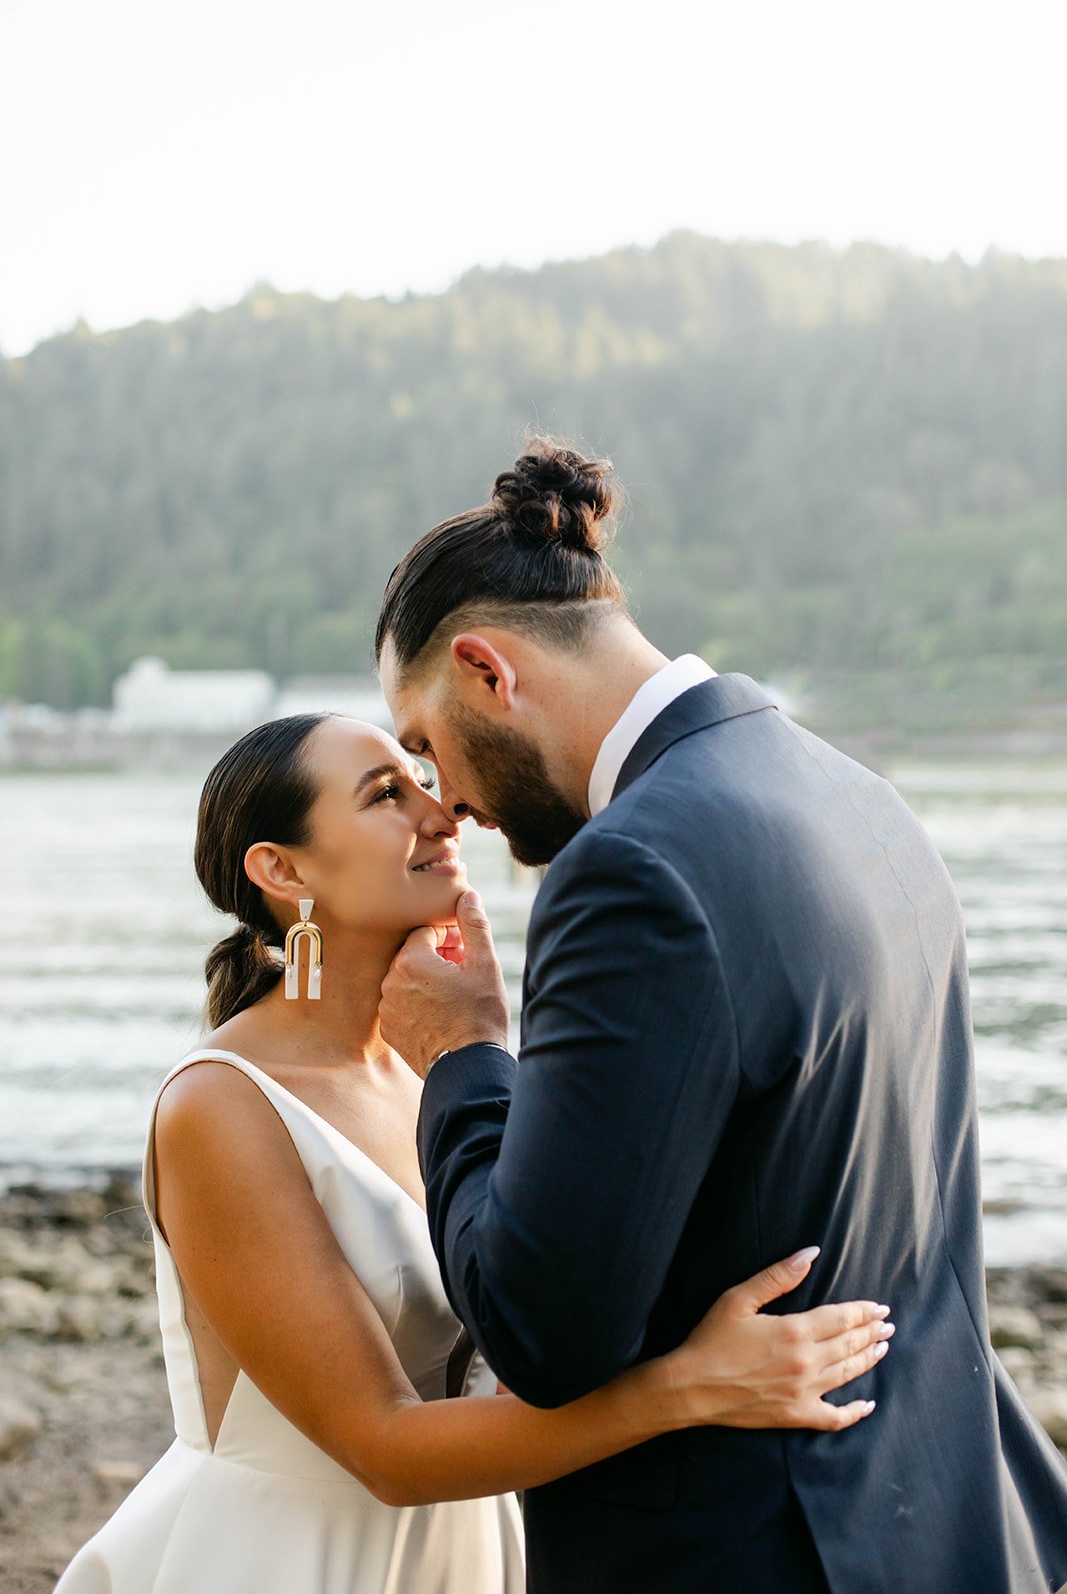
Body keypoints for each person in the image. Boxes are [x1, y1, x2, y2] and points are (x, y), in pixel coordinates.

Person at [374, 438, 1067, 1594]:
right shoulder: (855, 794)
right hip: (942, 1514)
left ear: (487, 671)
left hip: (747, 1550)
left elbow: (545, 1333)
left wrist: (460, 1056)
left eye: (426, 745)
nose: (449, 801)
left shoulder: (629, 870)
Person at [54, 713, 891, 1594]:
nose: (440, 811)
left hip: (470, 1539)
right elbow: (382, 1445)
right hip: (290, 1560)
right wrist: (695, 1385)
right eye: (385, 793)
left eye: (422, 779)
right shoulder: (222, 1104)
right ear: (283, 870)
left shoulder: (447, 1066)